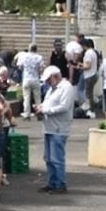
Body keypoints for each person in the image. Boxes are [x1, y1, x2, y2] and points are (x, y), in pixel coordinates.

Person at [38, 65, 75, 193]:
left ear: (56, 76)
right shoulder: (52, 89)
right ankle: (52, 182)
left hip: (59, 127)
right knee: (48, 157)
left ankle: (60, 184)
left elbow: (64, 106)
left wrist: (46, 110)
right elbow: (48, 102)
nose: (48, 82)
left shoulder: (66, 87)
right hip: (49, 127)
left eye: (49, 79)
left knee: (57, 158)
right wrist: (40, 107)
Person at [18, 43, 45, 120]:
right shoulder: (39, 57)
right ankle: (39, 113)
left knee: (26, 98)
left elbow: (20, 67)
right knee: (37, 98)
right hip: (35, 78)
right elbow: (41, 69)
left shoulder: (23, 56)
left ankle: (27, 114)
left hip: (26, 79)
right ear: (36, 49)